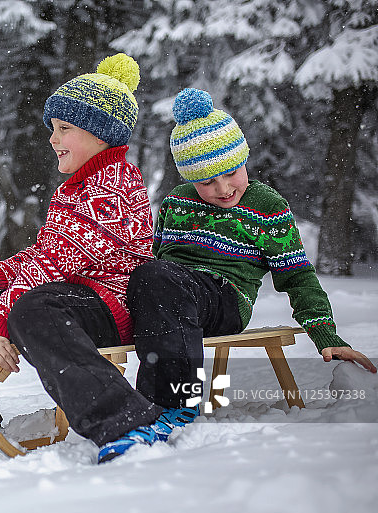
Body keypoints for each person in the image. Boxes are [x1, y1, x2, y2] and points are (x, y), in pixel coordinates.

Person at [0, 53, 167, 460]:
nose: (53, 139)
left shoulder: (113, 185)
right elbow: (46, 254)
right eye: (53, 128)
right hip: (66, 296)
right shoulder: (77, 186)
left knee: (32, 308)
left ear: (100, 134)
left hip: (108, 306)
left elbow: (57, 262)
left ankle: (125, 421)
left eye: (65, 129)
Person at [122, 88, 377, 455]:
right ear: (191, 179)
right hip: (171, 295)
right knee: (148, 276)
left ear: (244, 159)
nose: (224, 188)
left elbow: (297, 276)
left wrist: (326, 334)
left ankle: (173, 404)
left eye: (231, 173)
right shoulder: (176, 202)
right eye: (207, 182)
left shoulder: (266, 206)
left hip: (226, 299)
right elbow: (153, 256)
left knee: (157, 277)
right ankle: (129, 401)